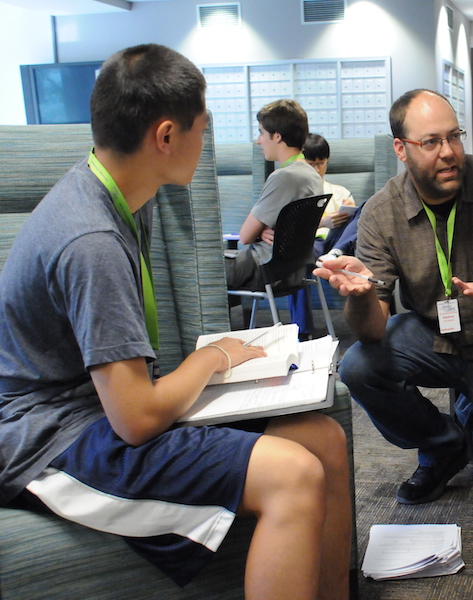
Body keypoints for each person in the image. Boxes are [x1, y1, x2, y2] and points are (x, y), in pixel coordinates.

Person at [0, 44, 350, 600]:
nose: (208, 134)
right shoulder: (90, 238)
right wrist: (210, 360)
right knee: (294, 476)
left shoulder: (118, 199)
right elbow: (136, 419)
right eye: (203, 122)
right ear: (166, 136)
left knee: (323, 440)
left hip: (97, 405)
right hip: (50, 438)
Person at [315, 89, 473, 514]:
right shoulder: (381, 213)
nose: (449, 153)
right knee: (358, 366)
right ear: (401, 149)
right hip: (436, 340)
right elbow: (373, 328)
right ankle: (444, 443)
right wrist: (359, 298)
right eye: (431, 142)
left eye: (455, 137)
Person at [225, 99, 323, 294]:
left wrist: (257, 233)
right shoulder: (312, 175)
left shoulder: (283, 177)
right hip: (294, 271)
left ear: (277, 136)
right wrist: (262, 233)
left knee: (200, 269)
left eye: (262, 132)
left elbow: (245, 236)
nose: (259, 140)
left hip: (262, 268)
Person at [288, 133, 358, 334]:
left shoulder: (339, 191)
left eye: (321, 163)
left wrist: (349, 215)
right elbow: (289, 227)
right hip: (312, 243)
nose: (317, 169)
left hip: (339, 242)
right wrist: (322, 221)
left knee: (363, 211)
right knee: (298, 260)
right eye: (312, 164)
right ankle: (302, 330)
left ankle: (336, 252)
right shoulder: (296, 193)